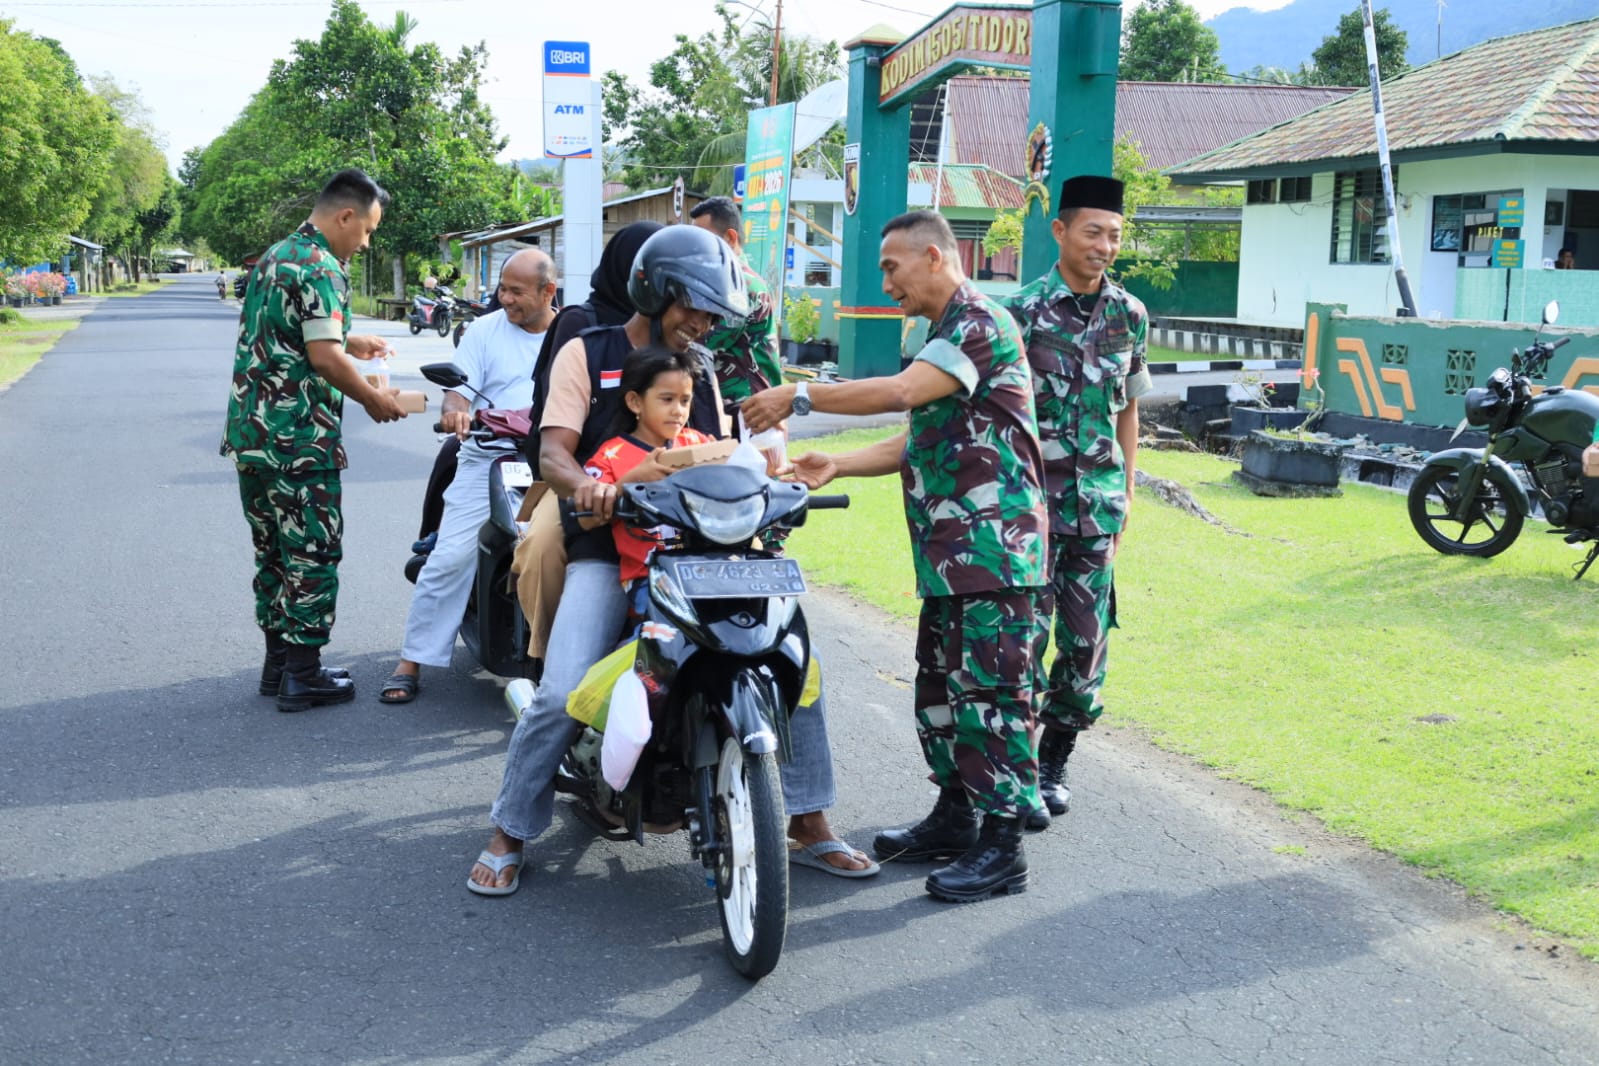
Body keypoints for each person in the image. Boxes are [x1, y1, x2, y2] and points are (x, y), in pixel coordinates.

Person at [468, 225, 876, 895]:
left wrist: (773, 486)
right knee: (564, 687)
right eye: (693, 307)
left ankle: (808, 820)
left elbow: (713, 456)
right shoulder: (586, 349)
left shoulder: (702, 370)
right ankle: (509, 829)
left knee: (793, 662)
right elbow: (551, 453)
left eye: (713, 313)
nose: (703, 323)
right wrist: (587, 488)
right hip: (607, 541)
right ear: (654, 292)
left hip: (696, 548)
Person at [742, 209, 1050, 903]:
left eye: (891, 267)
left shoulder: (978, 323)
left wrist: (799, 394)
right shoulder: (943, 335)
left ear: (935, 258)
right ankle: (954, 817)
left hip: (997, 553)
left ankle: (1002, 848)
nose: (886, 283)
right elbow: (920, 434)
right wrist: (838, 465)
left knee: (993, 695)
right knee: (940, 690)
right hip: (953, 554)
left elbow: (902, 393)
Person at [220, 167, 407, 712]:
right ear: (345, 215)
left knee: (273, 552)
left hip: (252, 436)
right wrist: (373, 398)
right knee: (313, 552)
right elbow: (323, 357)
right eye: (368, 230)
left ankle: (278, 665)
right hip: (299, 439)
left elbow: (294, 328)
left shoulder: (277, 255)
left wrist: (355, 337)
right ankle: (304, 675)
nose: (366, 241)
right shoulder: (324, 265)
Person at [1000, 175, 1153, 831]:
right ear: (1059, 232)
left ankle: (1052, 759)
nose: (1105, 245)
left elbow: (1129, 411)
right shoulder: (1019, 312)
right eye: (1093, 231)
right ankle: (1016, 776)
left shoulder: (1130, 315)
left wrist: (1125, 495)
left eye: (1114, 235)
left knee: (1085, 649)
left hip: (1096, 510)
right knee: (1022, 646)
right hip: (1031, 511)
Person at [379, 248, 558, 703]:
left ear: (548, 292)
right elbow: (457, 395)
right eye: (503, 288)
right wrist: (456, 414)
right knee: (452, 554)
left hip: (555, 459)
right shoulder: (483, 330)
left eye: (517, 291)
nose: (506, 298)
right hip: (490, 457)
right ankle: (411, 661)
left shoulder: (570, 335)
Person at [511, 221, 665, 664]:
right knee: (542, 544)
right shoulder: (583, 327)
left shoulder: (683, 338)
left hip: (660, 486)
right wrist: (582, 484)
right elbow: (550, 423)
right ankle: (548, 652)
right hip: (578, 479)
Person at [574, 344, 714, 617]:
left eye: (685, 400)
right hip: (647, 577)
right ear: (635, 402)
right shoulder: (610, 455)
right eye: (667, 399)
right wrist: (631, 481)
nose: (678, 410)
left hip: (705, 571)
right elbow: (586, 518)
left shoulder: (698, 443)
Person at [688, 196, 783, 405]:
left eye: (703, 241)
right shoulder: (724, 282)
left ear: (730, 239)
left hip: (752, 408)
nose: (696, 249)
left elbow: (699, 342)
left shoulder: (741, 286)